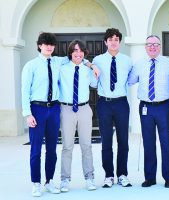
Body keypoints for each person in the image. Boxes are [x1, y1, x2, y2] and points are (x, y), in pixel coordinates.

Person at [21, 32, 98, 197]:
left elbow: (79, 58)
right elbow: (25, 91)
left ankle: (49, 181)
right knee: (36, 149)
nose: (48, 47)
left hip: (55, 109)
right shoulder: (32, 65)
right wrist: (27, 113)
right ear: (40, 45)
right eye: (45, 44)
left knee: (52, 149)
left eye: (51, 44)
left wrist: (91, 65)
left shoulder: (58, 62)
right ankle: (36, 183)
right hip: (38, 108)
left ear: (54, 47)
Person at [128, 35, 169, 188]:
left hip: (164, 107)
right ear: (145, 47)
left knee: (166, 142)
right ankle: (150, 177)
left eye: (156, 44)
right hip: (146, 107)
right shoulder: (139, 64)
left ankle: (168, 177)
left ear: (160, 46)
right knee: (148, 142)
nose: (153, 47)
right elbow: (130, 80)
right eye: (149, 44)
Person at [92, 28, 132, 188]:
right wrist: (91, 66)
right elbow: (93, 83)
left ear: (119, 42)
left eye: (116, 39)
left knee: (123, 141)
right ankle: (109, 175)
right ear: (105, 42)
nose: (114, 41)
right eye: (111, 39)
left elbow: (132, 79)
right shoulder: (98, 59)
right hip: (104, 104)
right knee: (106, 141)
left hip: (121, 103)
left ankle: (122, 174)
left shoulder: (127, 60)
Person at [58, 40, 98, 192]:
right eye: (75, 50)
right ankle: (65, 179)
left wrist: (92, 66)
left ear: (84, 53)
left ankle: (89, 178)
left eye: (81, 50)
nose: (78, 53)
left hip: (84, 109)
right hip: (67, 109)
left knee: (86, 146)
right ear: (70, 52)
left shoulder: (88, 70)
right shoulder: (62, 68)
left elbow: (94, 84)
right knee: (67, 146)